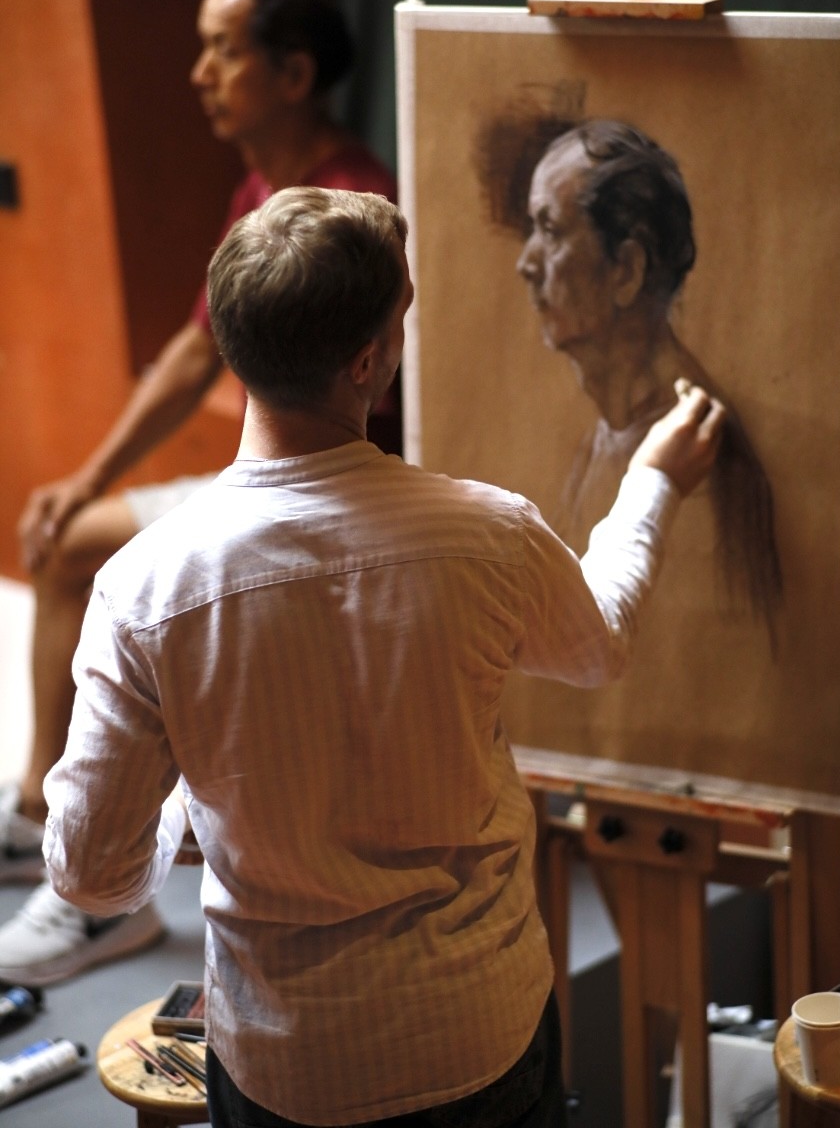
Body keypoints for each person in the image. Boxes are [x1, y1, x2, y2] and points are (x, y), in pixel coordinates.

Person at [42, 186, 723, 1127]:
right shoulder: (486, 533)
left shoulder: (142, 590)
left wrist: (179, 807)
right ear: (368, 361)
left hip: (288, 1063)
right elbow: (597, 646)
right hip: (478, 1034)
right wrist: (649, 483)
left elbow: (90, 875)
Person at [0, 0, 397, 985]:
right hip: (257, 480)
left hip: (328, 500)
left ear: (294, 72)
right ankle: (44, 813)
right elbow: (193, 349)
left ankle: (99, 895)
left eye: (223, 51)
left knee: (127, 593)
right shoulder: (261, 187)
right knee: (65, 545)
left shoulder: (358, 204)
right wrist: (86, 479)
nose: (198, 73)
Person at [516, 118, 782, 648]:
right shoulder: (613, 427)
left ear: (626, 271)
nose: (526, 263)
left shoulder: (703, 459)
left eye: (550, 230)